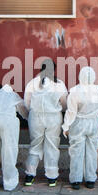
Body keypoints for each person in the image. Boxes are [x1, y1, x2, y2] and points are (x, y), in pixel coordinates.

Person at [23, 59, 68, 187]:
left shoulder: (32, 83)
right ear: (53, 69)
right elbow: (65, 103)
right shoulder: (59, 84)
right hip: (54, 118)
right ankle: (52, 177)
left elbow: (26, 103)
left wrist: (31, 114)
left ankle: (29, 176)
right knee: (52, 147)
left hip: (35, 118)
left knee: (35, 145)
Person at [62, 66, 98, 190]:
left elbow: (71, 112)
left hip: (79, 123)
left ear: (80, 76)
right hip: (95, 123)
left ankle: (76, 180)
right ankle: (90, 179)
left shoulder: (75, 92)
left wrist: (66, 126)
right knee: (92, 151)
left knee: (76, 152)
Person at [0, 84, 28, 191]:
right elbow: (23, 109)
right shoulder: (13, 95)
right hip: (8, 121)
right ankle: (9, 183)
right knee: (9, 151)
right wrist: (27, 118)